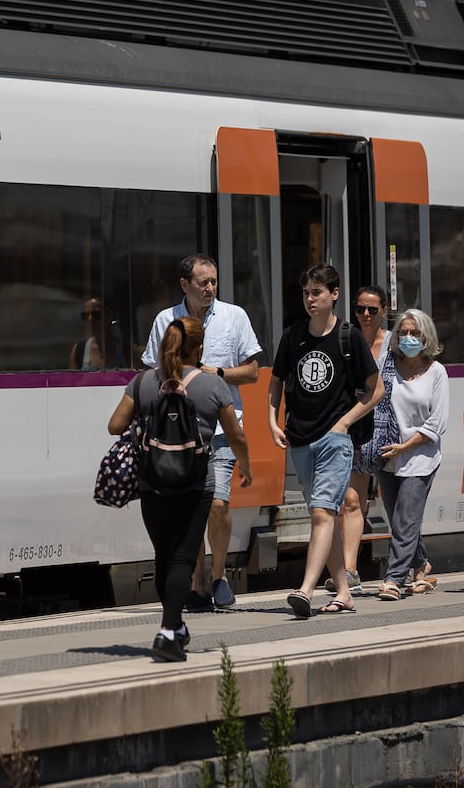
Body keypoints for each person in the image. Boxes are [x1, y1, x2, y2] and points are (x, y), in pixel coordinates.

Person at [108, 316, 252, 661]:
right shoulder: (211, 385)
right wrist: (245, 463)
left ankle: (175, 627)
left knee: (164, 556)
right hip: (195, 484)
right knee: (183, 560)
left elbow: (115, 425)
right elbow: (235, 434)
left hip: (152, 483)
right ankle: (168, 632)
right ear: (199, 348)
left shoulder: (143, 382)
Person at [142, 255, 261, 611]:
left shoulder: (234, 316)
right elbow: (151, 370)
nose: (210, 288)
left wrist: (216, 375)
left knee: (218, 505)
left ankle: (220, 574)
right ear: (184, 285)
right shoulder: (166, 320)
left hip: (221, 430)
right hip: (178, 432)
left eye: (214, 281)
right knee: (191, 508)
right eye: (202, 282)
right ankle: (196, 582)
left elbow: (253, 371)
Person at [268, 263, 383, 617]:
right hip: (299, 440)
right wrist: (272, 421)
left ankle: (305, 590)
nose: (309, 299)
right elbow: (276, 381)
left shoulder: (348, 337)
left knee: (321, 513)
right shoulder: (293, 336)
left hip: (334, 440)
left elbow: (375, 389)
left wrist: (344, 424)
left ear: (334, 295)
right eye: (305, 293)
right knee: (325, 518)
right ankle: (345, 592)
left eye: (316, 293)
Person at [375, 309, 448, 600]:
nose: (407, 338)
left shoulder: (436, 372)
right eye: (402, 332)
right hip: (386, 454)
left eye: (414, 333)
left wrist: (405, 446)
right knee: (399, 519)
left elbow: (437, 422)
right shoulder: (386, 364)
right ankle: (420, 563)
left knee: (405, 518)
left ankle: (393, 579)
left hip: (420, 456)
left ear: (426, 337)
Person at [330, 285, 393, 595]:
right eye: (359, 309)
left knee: (401, 503)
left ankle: (417, 561)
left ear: (384, 310)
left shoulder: (395, 343)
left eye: (372, 310)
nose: (365, 315)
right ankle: (350, 569)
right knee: (352, 501)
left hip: (391, 430)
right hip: (357, 428)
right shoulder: (347, 341)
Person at [70, 297, 127, 370]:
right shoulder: (79, 350)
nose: (90, 319)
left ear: (110, 315)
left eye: (96, 314)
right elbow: (71, 380)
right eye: (86, 315)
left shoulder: (127, 349)